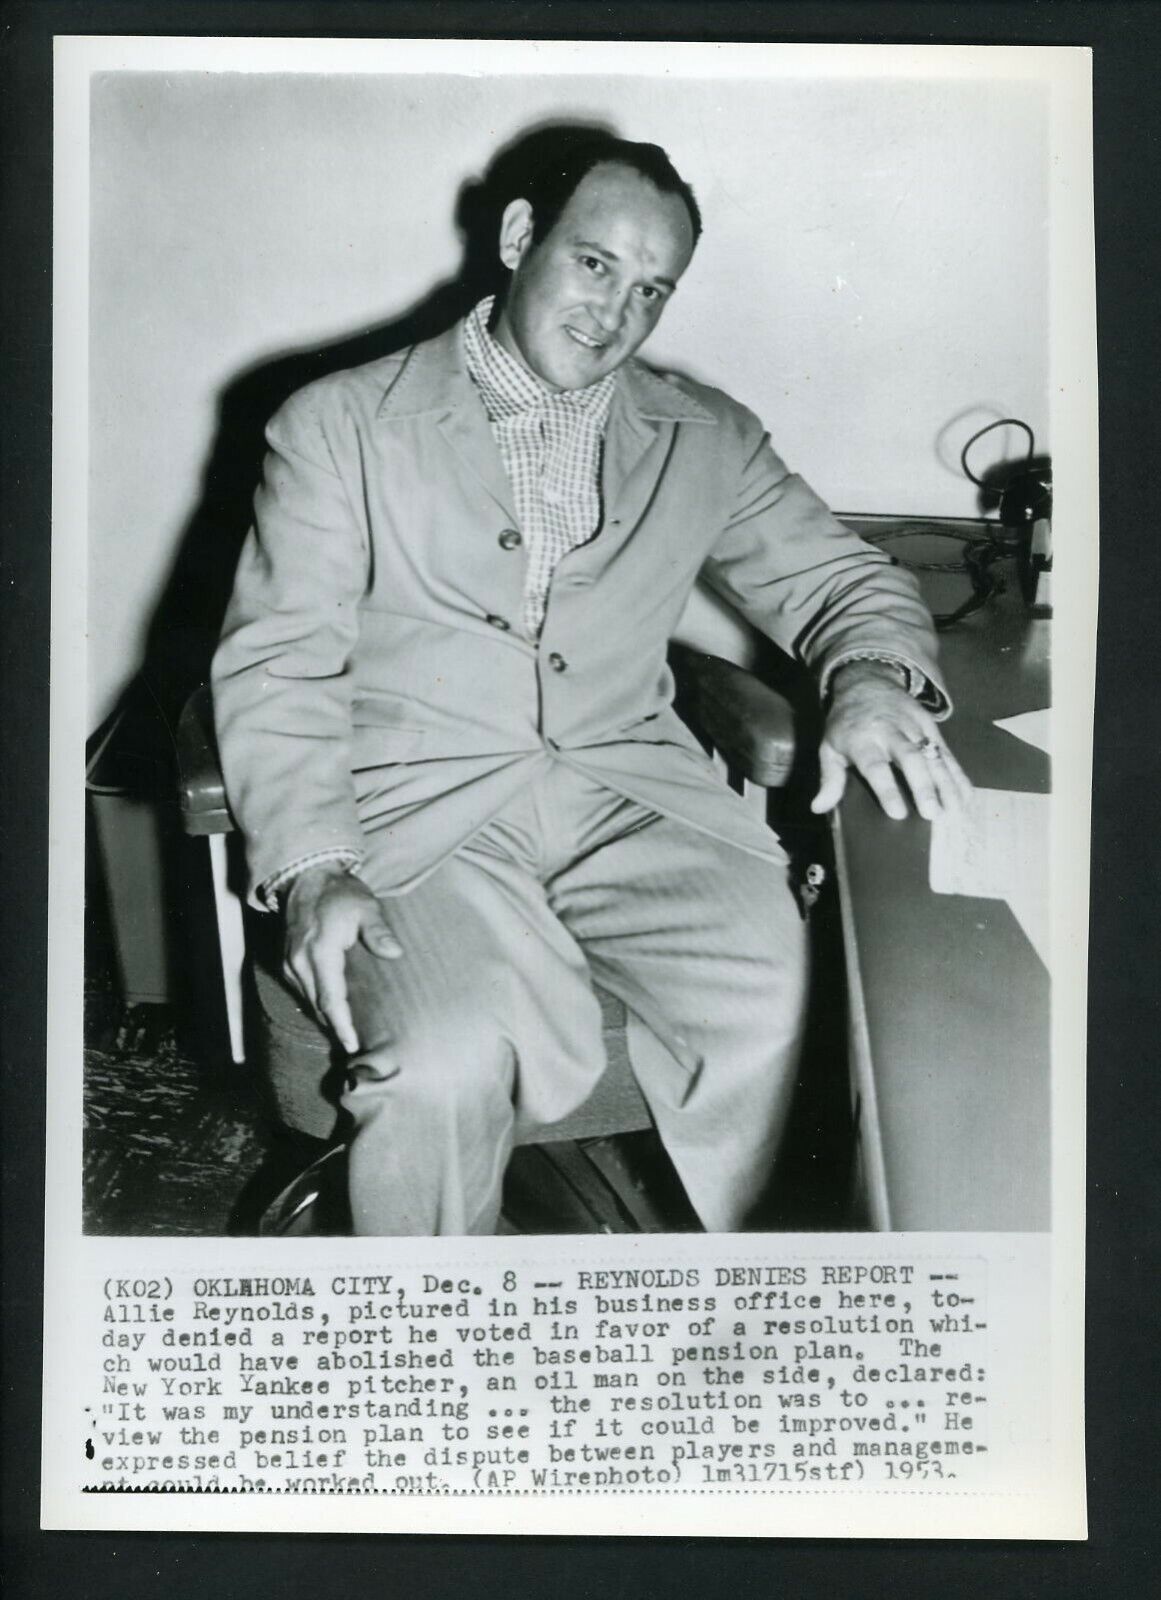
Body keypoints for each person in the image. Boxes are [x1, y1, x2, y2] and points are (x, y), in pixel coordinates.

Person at [212, 134, 970, 1235]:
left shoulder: (703, 434)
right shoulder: (341, 423)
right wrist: (317, 866)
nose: (617, 311)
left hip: (633, 797)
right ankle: (423, 1359)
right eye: (595, 263)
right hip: (414, 815)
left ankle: (724, 1326)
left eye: (652, 288)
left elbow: (843, 578)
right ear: (522, 239)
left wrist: (868, 673)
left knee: (789, 993)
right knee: (443, 1064)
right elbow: (280, 662)